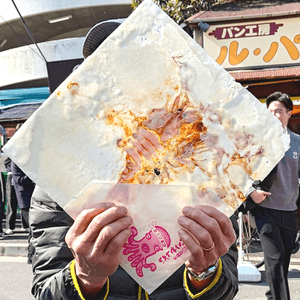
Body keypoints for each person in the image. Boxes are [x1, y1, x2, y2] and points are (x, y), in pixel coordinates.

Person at [29, 19, 239, 300]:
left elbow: (227, 284)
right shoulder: (61, 176)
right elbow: (45, 289)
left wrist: (206, 271)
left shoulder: (206, 168)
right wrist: (85, 277)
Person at [248, 91, 300, 300]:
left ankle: (273, 296)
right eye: (270, 112)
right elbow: (239, 170)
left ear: (289, 113)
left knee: (282, 262)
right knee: (276, 260)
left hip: (289, 211)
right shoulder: (257, 141)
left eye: (279, 111)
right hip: (265, 209)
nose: (274, 115)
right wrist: (251, 192)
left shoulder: (297, 142)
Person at [11, 161, 35, 231]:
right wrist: (32, 176)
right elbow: (19, 180)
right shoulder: (15, 163)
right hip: (23, 192)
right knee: (26, 212)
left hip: (31, 191)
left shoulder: (28, 161)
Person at [4, 157, 18, 235]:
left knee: (24, 203)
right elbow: (6, 161)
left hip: (20, 177)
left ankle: (25, 225)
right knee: (11, 202)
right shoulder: (11, 152)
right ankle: (9, 226)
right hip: (12, 178)